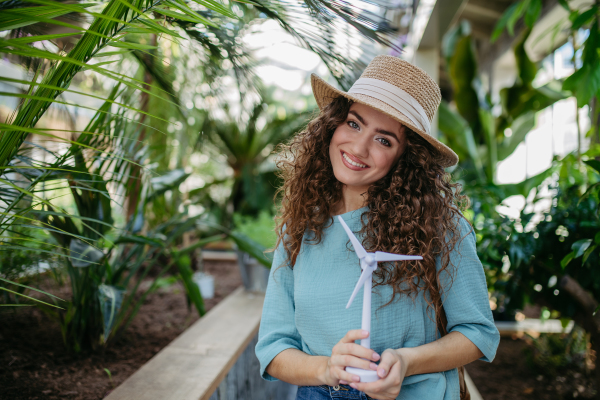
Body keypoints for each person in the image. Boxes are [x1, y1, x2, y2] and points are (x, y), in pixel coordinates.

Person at [255, 55, 500, 400]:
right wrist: (326, 368)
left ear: (406, 157)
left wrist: (405, 362)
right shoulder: (301, 226)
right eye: (354, 124)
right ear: (333, 124)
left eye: (384, 140)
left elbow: (478, 334)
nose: (358, 147)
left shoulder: (441, 228)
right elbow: (274, 349)